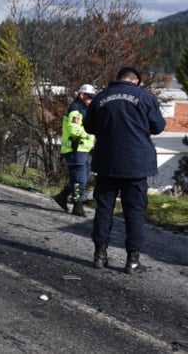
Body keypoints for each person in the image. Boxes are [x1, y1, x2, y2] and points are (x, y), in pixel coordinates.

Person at [84, 67, 165, 274]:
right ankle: (133, 260)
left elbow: (89, 127)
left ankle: (100, 255)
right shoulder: (145, 97)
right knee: (134, 213)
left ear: (118, 79)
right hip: (136, 164)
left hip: (106, 162)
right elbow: (157, 126)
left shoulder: (101, 98)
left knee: (104, 209)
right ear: (136, 81)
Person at [52, 84, 97, 217]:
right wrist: (89, 134)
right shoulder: (76, 109)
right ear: (81, 95)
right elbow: (73, 129)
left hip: (83, 149)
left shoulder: (84, 109)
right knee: (80, 180)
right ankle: (78, 205)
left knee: (83, 177)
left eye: (92, 97)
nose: (91, 100)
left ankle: (62, 196)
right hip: (75, 148)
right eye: (89, 97)